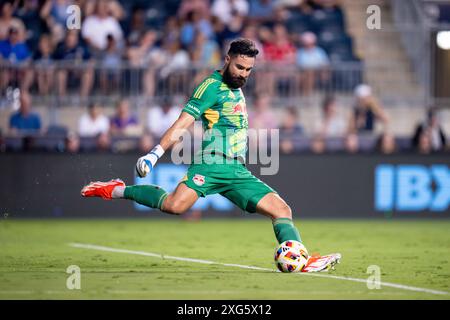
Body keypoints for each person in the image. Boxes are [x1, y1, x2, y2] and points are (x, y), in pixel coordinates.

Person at [81, 38, 340, 272]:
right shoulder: (210, 87)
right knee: (175, 206)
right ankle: (117, 190)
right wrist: (155, 154)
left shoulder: (235, 85)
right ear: (227, 60)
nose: (243, 74)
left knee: (282, 210)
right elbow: (183, 122)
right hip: (212, 163)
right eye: (239, 67)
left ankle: (303, 261)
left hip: (236, 170)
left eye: (249, 70)